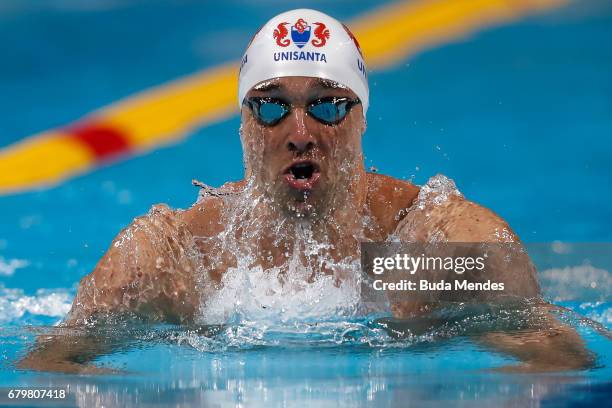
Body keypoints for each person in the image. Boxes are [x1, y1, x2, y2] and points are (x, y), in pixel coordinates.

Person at [19, 9, 591, 374]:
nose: (300, 133)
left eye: (326, 104)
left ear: (361, 116)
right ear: (244, 124)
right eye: (272, 106)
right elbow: (46, 370)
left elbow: (559, 360)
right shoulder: (181, 262)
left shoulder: (422, 245)